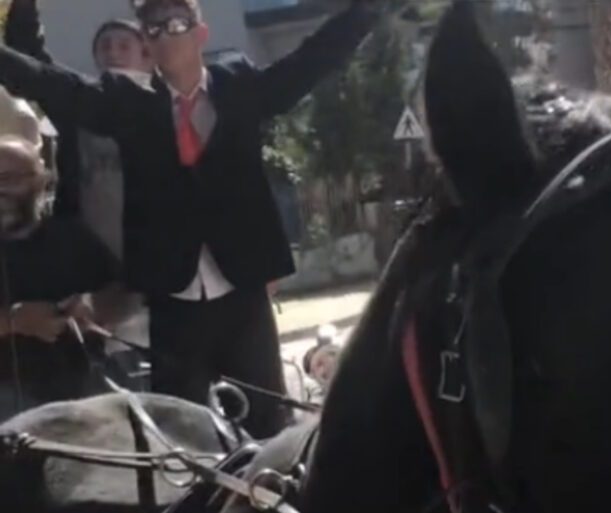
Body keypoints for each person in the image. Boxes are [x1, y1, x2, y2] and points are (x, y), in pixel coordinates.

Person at [0, 0, 381, 438]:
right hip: (173, 303)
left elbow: (310, 62)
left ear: (201, 34)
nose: (162, 34)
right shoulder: (127, 103)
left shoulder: (238, 86)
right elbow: (47, 81)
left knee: (268, 427)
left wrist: (367, 11)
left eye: (175, 24)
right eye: (152, 29)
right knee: (182, 437)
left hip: (243, 294)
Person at [5, 0, 156, 388]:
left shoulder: (170, 112)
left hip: (159, 281)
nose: (113, 52)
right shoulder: (80, 104)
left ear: (149, 56)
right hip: (90, 282)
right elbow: (28, 56)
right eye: (104, 46)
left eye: (123, 45)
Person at [0, 135, 119, 420]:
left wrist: (92, 307)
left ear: (42, 180)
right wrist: (14, 321)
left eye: (9, 179)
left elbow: (118, 290)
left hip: (79, 388)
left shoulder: (71, 237)